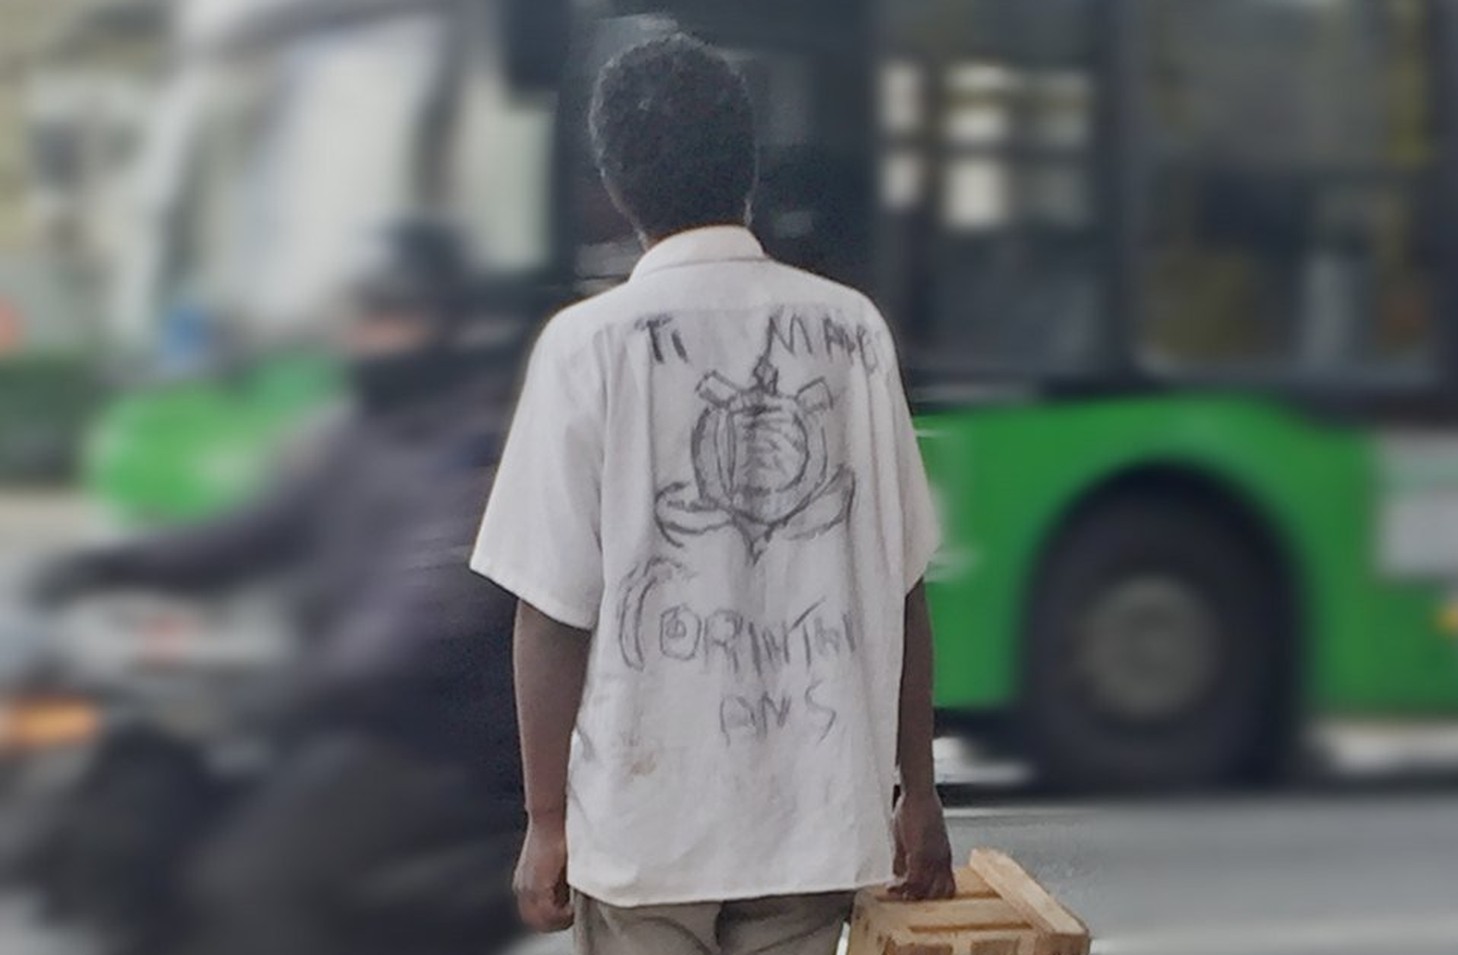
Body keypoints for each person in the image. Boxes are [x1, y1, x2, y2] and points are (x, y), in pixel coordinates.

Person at [471, 34, 955, 955]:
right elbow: (902, 589)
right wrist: (917, 792)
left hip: (645, 833)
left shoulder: (586, 348)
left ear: (615, 186)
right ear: (750, 170)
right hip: (808, 833)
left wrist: (545, 820)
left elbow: (550, 615)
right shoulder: (853, 335)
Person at [35, 219, 524, 955]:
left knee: (241, 882)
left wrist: (261, 698)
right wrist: (111, 564)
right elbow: (247, 531)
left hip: (429, 746)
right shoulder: (360, 434)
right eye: (364, 312)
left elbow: (404, 634)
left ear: (448, 321)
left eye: (395, 312)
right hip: (336, 719)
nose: (371, 333)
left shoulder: (473, 456)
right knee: (139, 812)